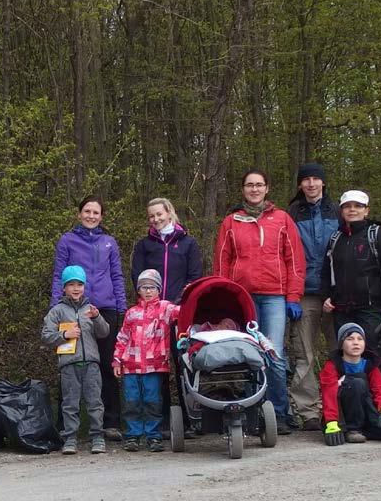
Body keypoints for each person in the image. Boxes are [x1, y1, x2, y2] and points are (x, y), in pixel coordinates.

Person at [214, 169, 306, 435]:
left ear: (267, 188)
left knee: (274, 353)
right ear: (243, 189)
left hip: (274, 296)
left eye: (259, 185)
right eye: (249, 185)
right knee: (248, 355)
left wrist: (293, 296)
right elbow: (222, 263)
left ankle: (279, 412)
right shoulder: (231, 222)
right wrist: (224, 297)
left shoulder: (282, 219)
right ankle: (253, 410)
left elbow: (295, 261)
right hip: (242, 297)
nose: (254, 189)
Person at [322, 190, 381, 433]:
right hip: (343, 310)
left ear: (366, 210)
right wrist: (328, 296)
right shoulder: (336, 238)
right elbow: (328, 271)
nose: (352, 210)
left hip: (371, 309)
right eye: (348, 206)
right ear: (342, 210)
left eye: (358, 206)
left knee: (376, 360)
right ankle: (349, 416)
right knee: (345, 361)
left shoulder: (376, 234)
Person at [51, 195, 127, 441]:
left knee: (106, 365)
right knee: (68, 365)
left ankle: (111, 423)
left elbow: (116, 274)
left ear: (101, 216)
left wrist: (121, 308)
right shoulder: (67, 240)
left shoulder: (109, 242)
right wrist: (56, 307)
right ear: (79, 214)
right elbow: (58, 274)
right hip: (71, 309)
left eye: (96, 212)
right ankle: (66, 427)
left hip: (104, 309)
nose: (91, 216)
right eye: (87, 211)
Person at [129, 197, 203, 438]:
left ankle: (191, 420)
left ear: (169, 213)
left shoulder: (188, 243)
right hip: (151, 317)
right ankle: (158, 423)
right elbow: (138, 279)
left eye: (159, 214)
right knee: (155, 369)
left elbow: (195, 277)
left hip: (179, 314)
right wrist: (152, 305)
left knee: (184, 365)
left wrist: (179, 304)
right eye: (151, 216)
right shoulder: (144, 246)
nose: (156, 219)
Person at [286, 163, 341, 431]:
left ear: (323, 183)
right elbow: (284, 255)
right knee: (303, 354)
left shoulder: (338, 211)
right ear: (300, 185)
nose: (310, 184)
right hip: (303, 292)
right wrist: (290, 295)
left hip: (334, 293)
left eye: (315, 179)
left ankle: (340, 404)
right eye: (305, 179)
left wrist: (340, 290)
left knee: (339, 351)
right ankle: (308, 411)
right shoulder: (292, 213)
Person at [42, 265, 111, 455]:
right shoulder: (57, 311)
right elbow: (46, 336)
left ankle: (97, 437)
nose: (75, 288)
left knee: (95, 402)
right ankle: (70, 438)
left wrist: (97, 317)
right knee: (70, 404)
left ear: (84, 286)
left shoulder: (91, 309)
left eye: (79, 284)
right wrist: (65, 334)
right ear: (64, 288)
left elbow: (104, 332)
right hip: (69, 366)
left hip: (91, 365)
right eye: (71, 284)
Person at [112, 269, 178, 453]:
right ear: (138, 290)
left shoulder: (166, 308)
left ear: (159, 289)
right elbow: (123, 337)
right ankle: (132, 435)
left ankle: (153, 436)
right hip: (131, 365)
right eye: (144, 287)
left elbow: (184, 312)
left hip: (154, 365)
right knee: (131, 401)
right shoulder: (131, 313)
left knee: (152, 400)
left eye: (152, 287)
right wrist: (117, 360)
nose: (148, 291)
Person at [319, 323, 381, 446]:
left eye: (360, 339)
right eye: (350, 339)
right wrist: (331, 424)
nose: (356, 343)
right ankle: (351, 429)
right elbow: (329, 395)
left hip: (365, 409)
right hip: (341, 416)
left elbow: (380, 390)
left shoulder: (370, 364)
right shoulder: (332, 366)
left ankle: (365, 429)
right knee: (357, 383)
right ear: (341, 344)